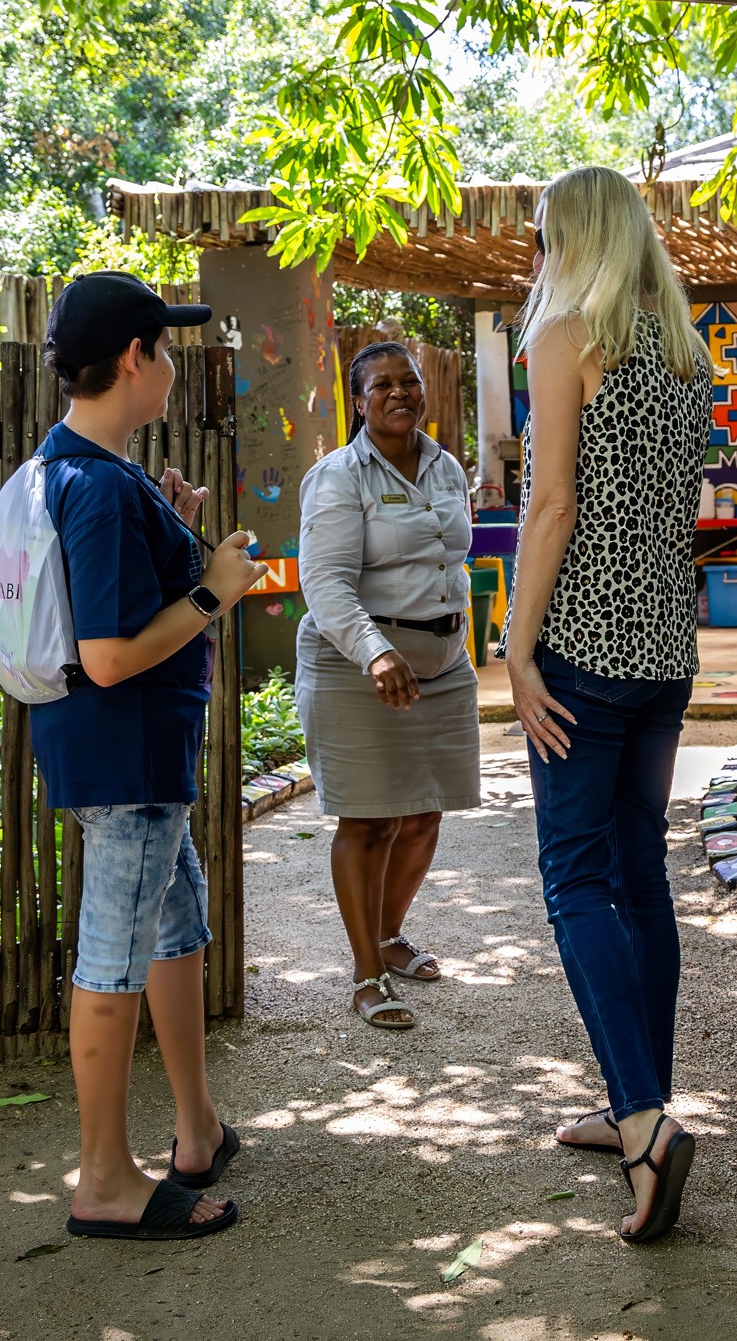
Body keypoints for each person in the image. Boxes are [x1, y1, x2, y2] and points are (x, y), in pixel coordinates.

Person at [30, 270, 265, 1243]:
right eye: (165, 349)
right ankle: (104, 1177)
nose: (172, 367)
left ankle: (196, 1126)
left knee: (177, 921)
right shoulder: (95, 486)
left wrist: (170, 524)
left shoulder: (93, 470)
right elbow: (110, 653)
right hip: (124, 759)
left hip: (138, 760)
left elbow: (122, 590)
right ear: (135, 358)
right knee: (116, 949)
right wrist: (214, 589)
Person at [503, 166, 713, 1245]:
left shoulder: (564, 335)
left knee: (576, 878)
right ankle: (647, 1100)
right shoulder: (681, 351)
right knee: (640, 877)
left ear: (570, 235)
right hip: (664, 654)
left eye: (544, 232)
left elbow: (550, 503)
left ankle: (639, 1118)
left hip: (582, 649)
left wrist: (515, 641)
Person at [294, 341, 481, 1031]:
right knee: (370, 820)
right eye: (382, 386)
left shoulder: (446, 467)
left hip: (441, 661)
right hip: (356, 666)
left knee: (425, 811)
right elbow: (326, 584)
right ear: (359, 401)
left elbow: (447, 560)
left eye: (409, 382)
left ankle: (389, 936)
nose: (400, 394)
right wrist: (375, 653)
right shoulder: (339, 477)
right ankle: (365, 974)